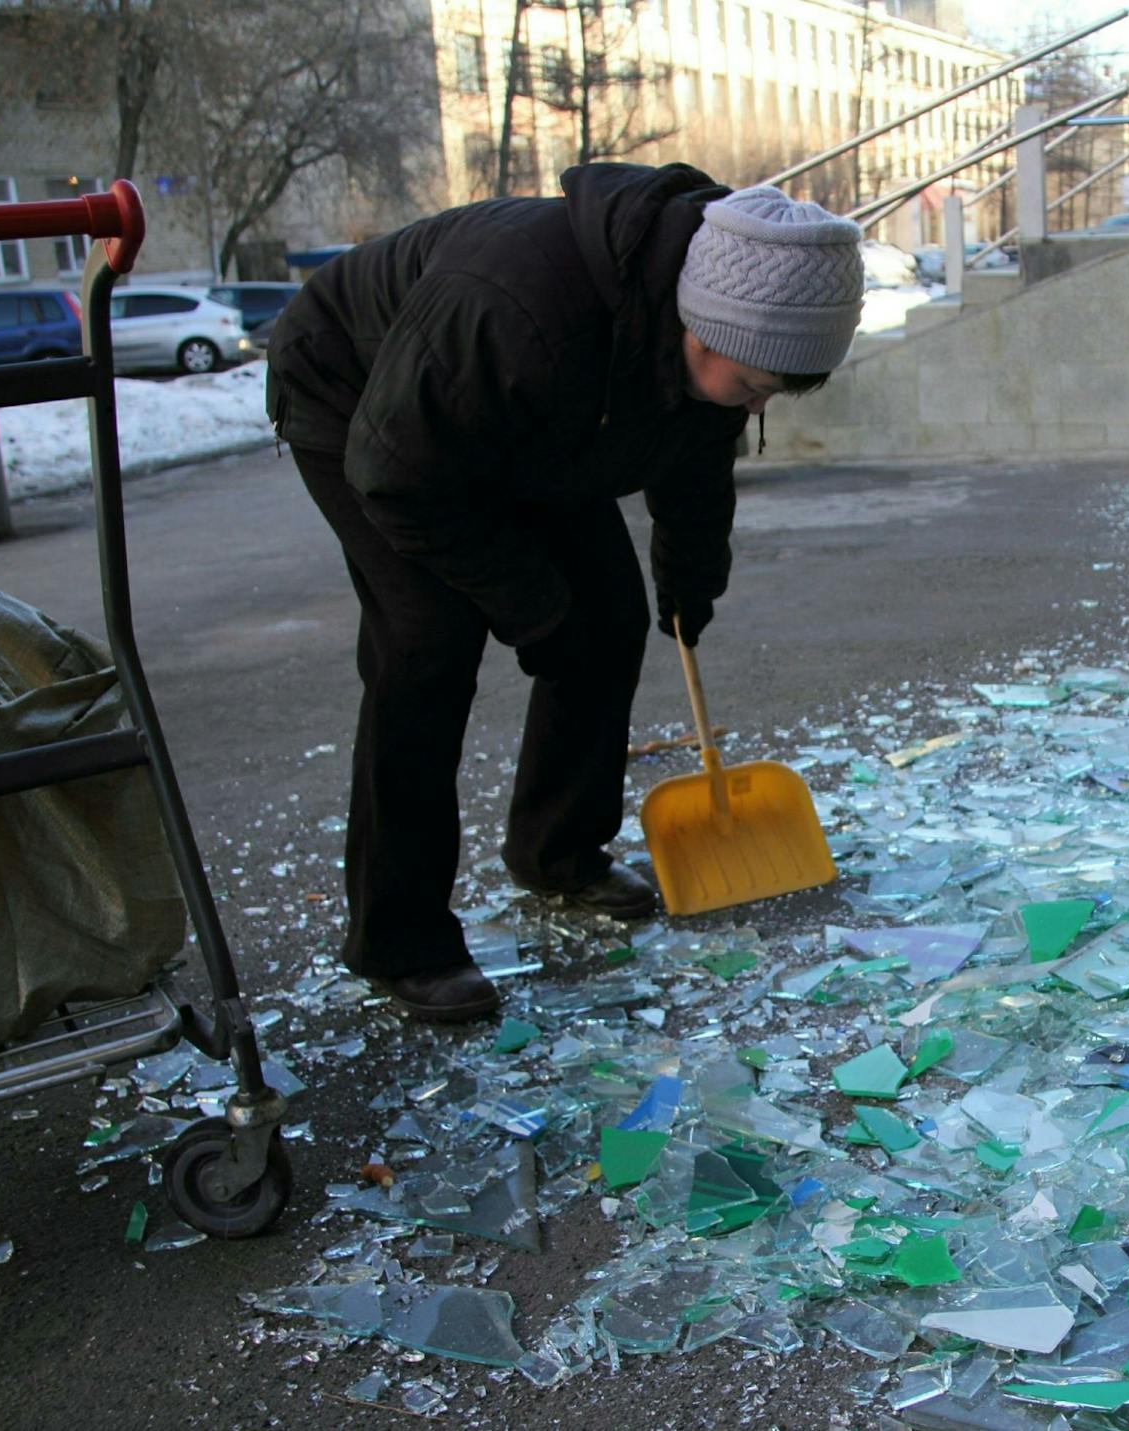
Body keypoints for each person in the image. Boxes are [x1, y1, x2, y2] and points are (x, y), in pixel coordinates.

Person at [265, 163, 865, 1021]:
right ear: (703, 324)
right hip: (365, 406)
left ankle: (558, 850)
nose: (756, 402)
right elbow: (396, 475)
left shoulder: (716, 324)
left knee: (607, 618)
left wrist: (690, 582)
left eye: (771, 391)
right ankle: (400, 939)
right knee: (426, 645)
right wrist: (531, 608)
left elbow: (696, 458)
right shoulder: (517, 301)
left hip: (528, 417)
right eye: (755, 385)